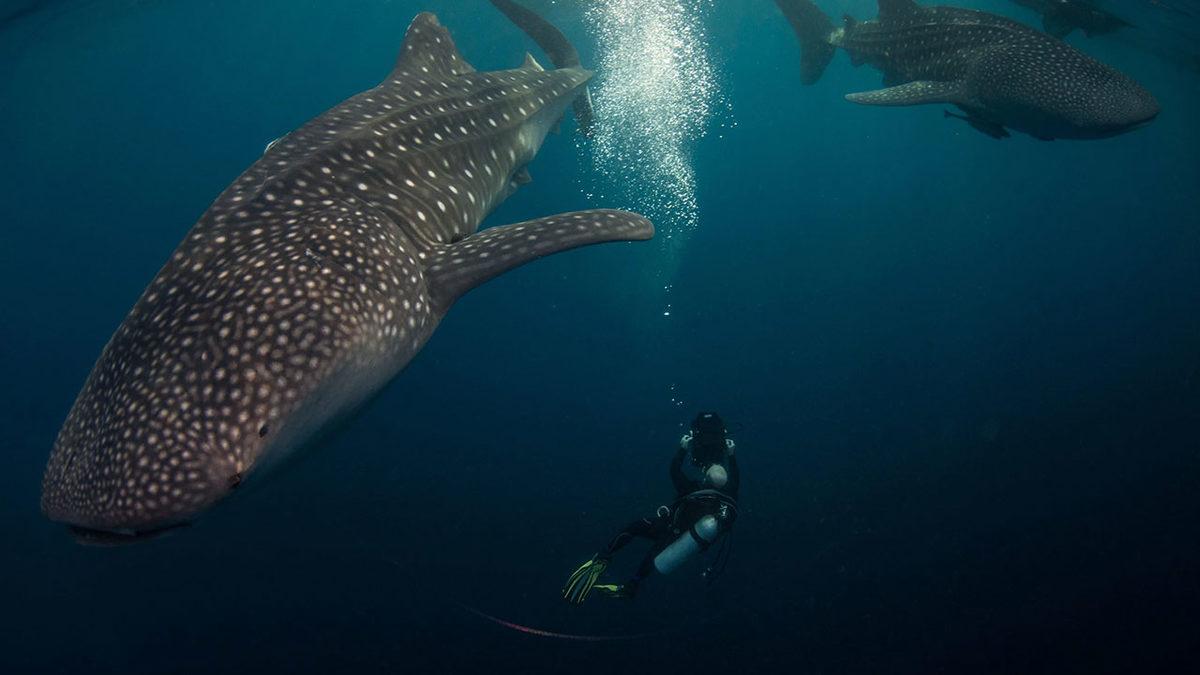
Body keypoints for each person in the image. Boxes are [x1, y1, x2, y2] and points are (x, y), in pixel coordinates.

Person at [562, 412, 740, 604]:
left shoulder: (691, 489)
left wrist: (682, 449)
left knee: (635, 528)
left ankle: (603, 558)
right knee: (653, 553)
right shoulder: (727, 497)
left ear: (705, 479)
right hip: (686, 535)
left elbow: (674, 470)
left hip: (672, 528)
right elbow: (735, 481)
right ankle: (632, 585)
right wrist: (731, 457)